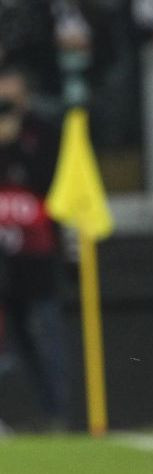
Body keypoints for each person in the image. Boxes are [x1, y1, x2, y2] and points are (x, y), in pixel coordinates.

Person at [0, 65, 69, 430]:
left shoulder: (44, 132)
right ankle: (18, 416)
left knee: (46, 338)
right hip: (4, 260)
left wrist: (17, 146)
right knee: (14, 345)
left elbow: (51, 183)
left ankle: (57, 415)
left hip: (38, 256)